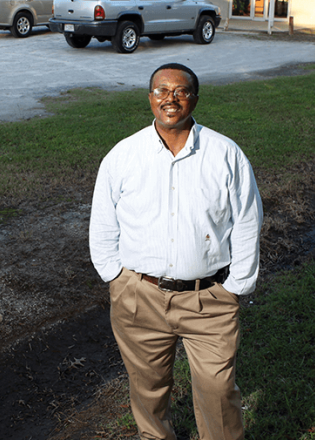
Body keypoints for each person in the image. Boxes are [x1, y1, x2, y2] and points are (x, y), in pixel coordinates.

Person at [89, 63, 263, 440]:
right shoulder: (123, 155)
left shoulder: (225, 154)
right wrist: (115, 277)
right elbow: (103, 221)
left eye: (181, 91)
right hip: (139, 297)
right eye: (161, 90)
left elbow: (248, 219)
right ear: (150, 98)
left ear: (195, 99)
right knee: (148, 389)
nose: (171, 98)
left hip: (209, 299)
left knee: (218, 391)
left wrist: (236, 285)